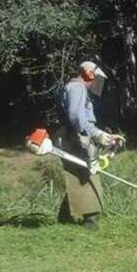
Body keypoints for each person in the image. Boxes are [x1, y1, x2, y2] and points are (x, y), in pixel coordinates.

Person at [57, 61, 123, 230]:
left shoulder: (79, 89)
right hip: (73, 137)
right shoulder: (77, 88)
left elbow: (84, 120)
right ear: (89, 74)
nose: (97, 83)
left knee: (78, 175)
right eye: (97, 78)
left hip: (77, 134)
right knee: (87, 174)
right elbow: (76, 117)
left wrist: (103, 134)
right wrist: (95, 134)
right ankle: (90, 222)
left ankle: (64, 218)